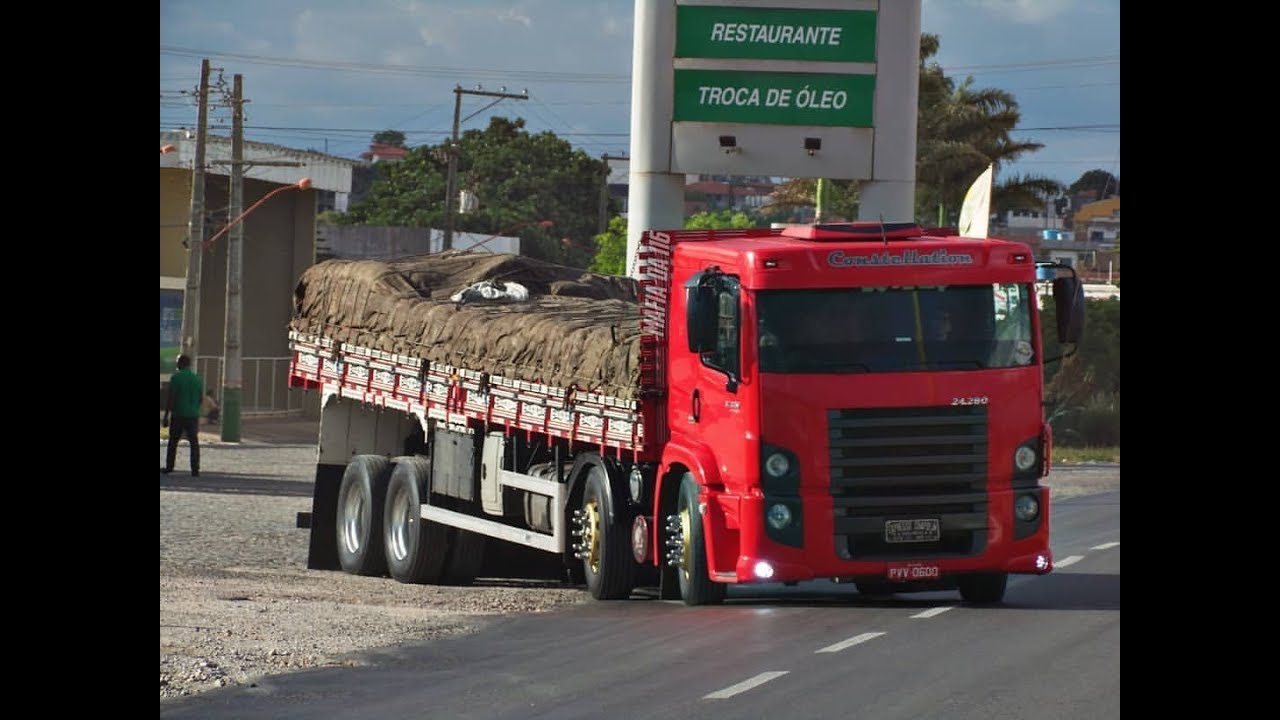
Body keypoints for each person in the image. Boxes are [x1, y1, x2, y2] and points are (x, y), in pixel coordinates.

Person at [162, 354, 203, 476]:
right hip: (193, 415)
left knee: (173, 442)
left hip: (179, 414)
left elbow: (171, 398)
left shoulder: (176, 378)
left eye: (177, 362)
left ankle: (170, 466)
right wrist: (195, 409)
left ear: (180, 363)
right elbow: (200, 398)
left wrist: (166, 415)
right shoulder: (197, 378)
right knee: (194, 442)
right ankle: (195, 469)